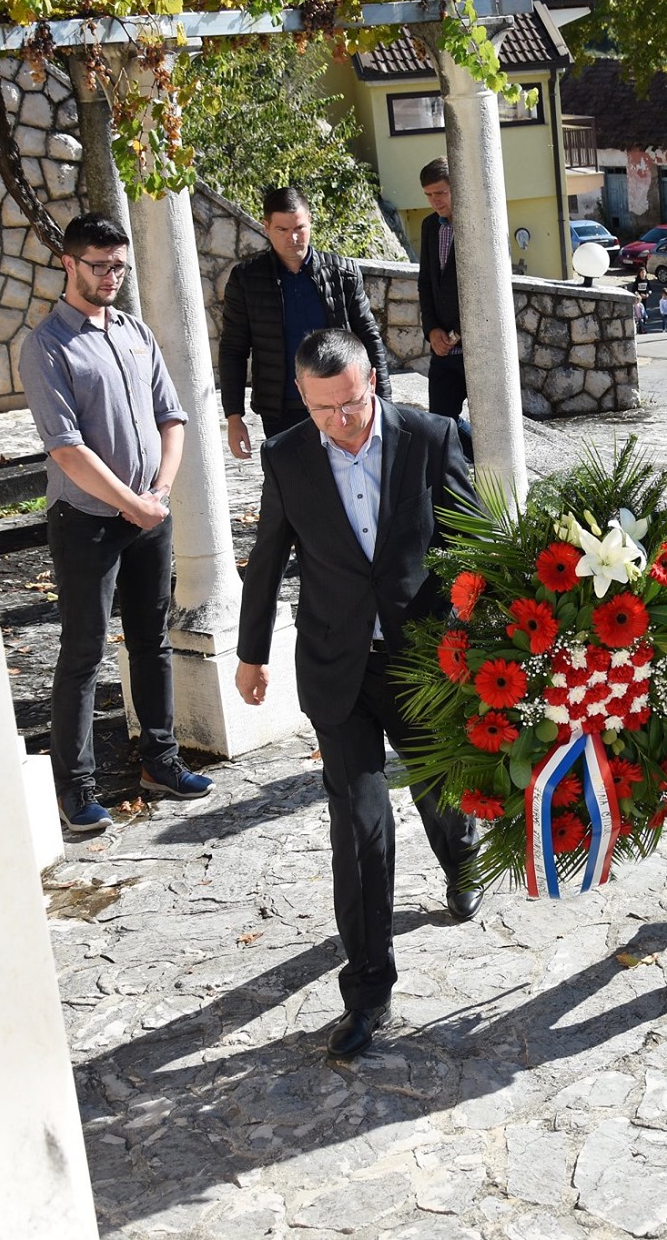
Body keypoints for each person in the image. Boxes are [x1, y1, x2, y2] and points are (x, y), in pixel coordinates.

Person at [234, 329, 483, 1060]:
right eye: (322, 410)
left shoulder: (434, 439)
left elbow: (476, 539)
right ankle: (369, 990)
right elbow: (269, 558)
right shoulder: (286, 457)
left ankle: (461, 858)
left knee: (440, 785)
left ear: (371, 378)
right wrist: (251, 655)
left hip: (424, 662)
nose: (341, 422)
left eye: (350, 404)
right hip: (337, 667)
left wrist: (483, 634)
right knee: (360, 826)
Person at [18, 212, 212, 835]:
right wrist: (132, 503)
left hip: (148, 512)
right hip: (88, 521)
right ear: (69, 265)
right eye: (99, 266)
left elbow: (172, 418)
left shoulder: (135, 333)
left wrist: (155, 494)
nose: (110, 277)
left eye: (118, 267)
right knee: (83, 652)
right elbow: (66, 448)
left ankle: (161, 761)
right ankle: (75, 790)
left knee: (152, 639)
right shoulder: (47, 345)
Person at [221, 187, 393, 460]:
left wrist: (384, 401)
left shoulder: (342, 274)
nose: (293, 237)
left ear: (310, 221)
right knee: (296, 492)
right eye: (282, 229)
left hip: (343, 406)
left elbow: (368, 337)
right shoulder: (246, 280)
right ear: (266, 227)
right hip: (281, 409)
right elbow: (233, 349)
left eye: (299, 227)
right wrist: (234, 416)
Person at [416, 157, 466, 420]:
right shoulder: (429, 226)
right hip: (443, 351)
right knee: (441, 426)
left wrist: (456, 334)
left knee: (490, 429)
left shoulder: (477, 225)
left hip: (475, 349)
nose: (435, 201)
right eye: (428, 195)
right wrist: (432, 330)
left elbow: (482, 291)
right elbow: (426, 282)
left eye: (440, 193)